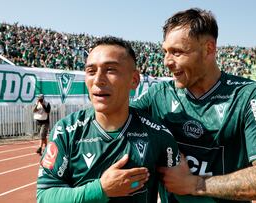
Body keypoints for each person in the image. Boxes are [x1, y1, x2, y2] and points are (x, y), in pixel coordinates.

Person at [131, 8, 256, 203]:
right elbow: (116, 120)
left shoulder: (249, 96)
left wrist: (195, 184)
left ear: (209, 49)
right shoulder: (159, 94)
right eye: (165, 51)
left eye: (177, 52)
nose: (167, 61)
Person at [36, 36, 180, 202]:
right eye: (91, 71)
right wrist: (101, 189)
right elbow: (44, 196)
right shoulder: (66, 131)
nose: (98, 80)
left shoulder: (159, 135)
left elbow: (174, 194)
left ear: (134, 80)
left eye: (110, 70)